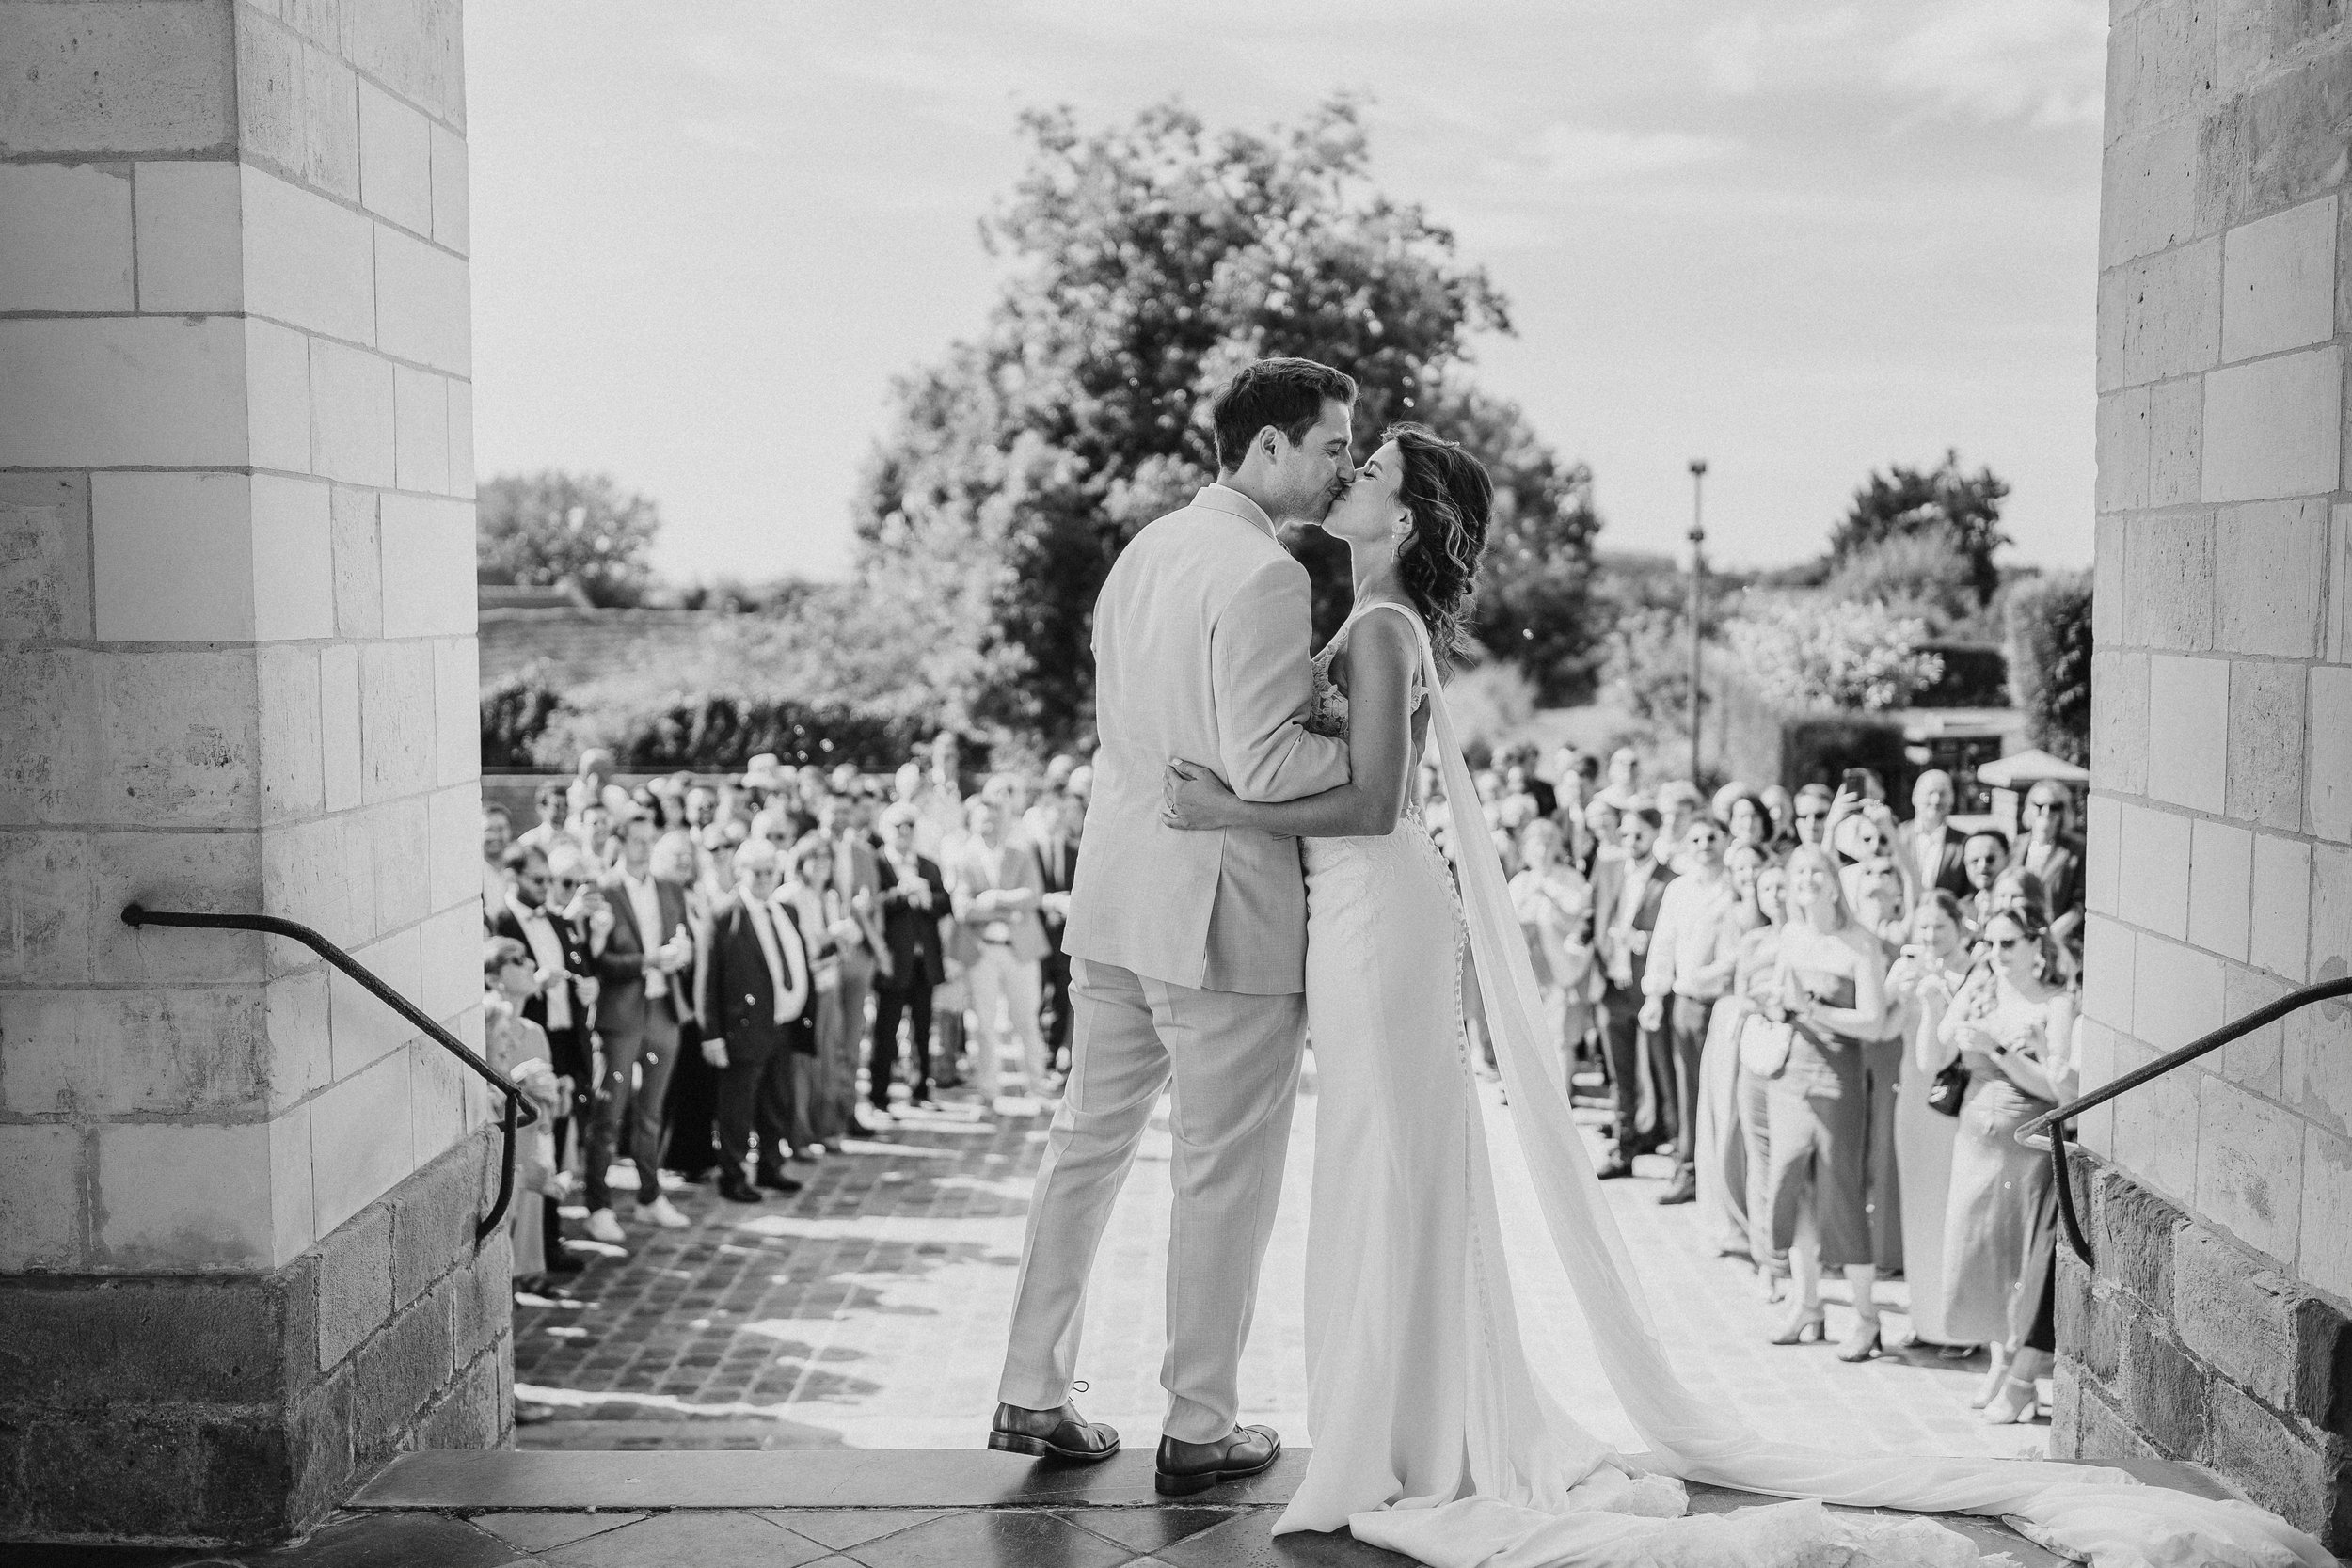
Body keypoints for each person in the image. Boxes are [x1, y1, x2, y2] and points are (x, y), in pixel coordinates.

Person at [1144, 419, 2319, 1567]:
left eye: (1371, 466)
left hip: (1375, 910)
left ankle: (1400, 1432)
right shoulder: (1371, 615)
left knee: (1385, 1158)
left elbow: (1367, 804)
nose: (1348, 471)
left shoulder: (1379, 627)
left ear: (1403, 520)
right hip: (1363, 911)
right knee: (1382, 1157)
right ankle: (1409, 1418)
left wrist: (1220, 807)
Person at [991, 357, 1359, 1493]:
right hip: (1220, 913)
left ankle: (1028, 1385)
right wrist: (1367, 738)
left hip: (1114, 897)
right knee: (1220, 1176)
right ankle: (1200, 1423)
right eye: (1332, 445)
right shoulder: (1265, 572)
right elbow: (1265, 763)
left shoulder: (1143, 551)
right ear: (1267, 447)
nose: (1343, 467)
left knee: (1083, 1148)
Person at [1938, 904, 2077, 1425]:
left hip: (2028, 1146)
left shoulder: (2055, 1004)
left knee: (2021, 1255)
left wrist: (1998, 1049)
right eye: (1991, 943)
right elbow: (1939, 1048)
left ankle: (2019, 1372)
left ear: (2036, 945)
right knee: (1980, 1251)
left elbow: (2059, 1090)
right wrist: (1944, 1002)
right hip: (1974, 1141)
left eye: (2009, 943)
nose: (1997, 954)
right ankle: (1999, 1364)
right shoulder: (1981, 989)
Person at [1758, 845, 1888, 1361]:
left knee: (1840, 1190)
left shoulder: (1860, 944)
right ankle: (1806, 1304)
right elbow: (1780, 999)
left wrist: (1813, 1010)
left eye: (1817, 871)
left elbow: (1873, 1023)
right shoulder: (1791, 934)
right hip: (1789, 1073)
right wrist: (1777, 1004)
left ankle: (1867, 1317)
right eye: (1798, 872)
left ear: (1835, 883)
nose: (1807, 879)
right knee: (1793, 1185)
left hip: (1836, 1077)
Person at [581, 814, 695, 1242]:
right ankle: (598, 1205)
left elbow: (681, 939)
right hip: (620, 1011)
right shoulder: (604, 889)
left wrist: (681, 952)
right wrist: (649, 961)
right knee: (608, 1114)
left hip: (663, 1006)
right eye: (637, 840)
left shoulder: (669, 888)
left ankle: (650, 1196)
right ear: (620, 842)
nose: (645, 848)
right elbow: (598, 961)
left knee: (652, 1110)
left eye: (650, 840)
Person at [694, 839, 809, 1203]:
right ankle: (733, 1175)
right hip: (741, 1026)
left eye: (769, 871)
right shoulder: (725, 914)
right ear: (740, 872)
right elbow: (708, 980)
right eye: (756, 872)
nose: (763, 878)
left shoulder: (785, 910)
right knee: (737, 1108)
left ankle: (771, 1166)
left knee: (777, 1101)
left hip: (782, 1023)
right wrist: (711, 1035)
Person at [1884, 891, 1973, 1353]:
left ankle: (1958, 1325)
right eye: (1923, 926)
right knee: (1917, 1206)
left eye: (1940, 926)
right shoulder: (1907, 970)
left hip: (1952, 1102)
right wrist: (1899, 995)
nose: (1931, 935)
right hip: (1913, 1097)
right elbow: (1882, 1029)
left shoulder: (1973, 973)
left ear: (1959, 926)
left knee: (1950, 1208)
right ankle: (1923, 1317)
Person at [1639, 817, 1739, 1206]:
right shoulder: (1679, 890)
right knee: (1689, 1089)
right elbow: (1663, 945)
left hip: (1729, 1003)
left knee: (1727, 1091)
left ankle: (1727, 1177)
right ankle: (1689, 1170)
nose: (1704, 845)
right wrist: (1654, 995)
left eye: (1712, 837)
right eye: (1695, 839)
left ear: (1725, 840)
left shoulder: (1737, 886)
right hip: (1689, 1002)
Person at [950, 793, 1053, 1105]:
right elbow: (963, 909)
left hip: (1019, 950)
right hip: (982, 951)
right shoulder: (964, 859)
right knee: (984, 1025)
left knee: (1027, 1021)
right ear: (972, 821)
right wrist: (1008, 908)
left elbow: (1033, 896)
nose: (989, 824)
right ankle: (988, 1092)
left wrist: (993, 899)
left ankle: (1037, 1087)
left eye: (994, 818)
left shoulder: (1020, 853)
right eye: (983, 818)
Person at [1591, 806, 1674, 1178]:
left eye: (1638, 834)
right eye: (1625, 833)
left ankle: (1668, 1140)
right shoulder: (1609, 868)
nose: (1630, 841)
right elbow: (1593, 914)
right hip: (1611, 985)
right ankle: (1624, 1147)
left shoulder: (1670, 880)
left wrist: (1646, 941)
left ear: (1655, 834)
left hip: (1647, 988)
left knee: (1660, 1071)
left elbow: (1675, 935)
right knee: (1619, 1073)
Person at [485, 938, 567, 1286]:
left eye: (528, 959)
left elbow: (551, 1112)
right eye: (517, 961)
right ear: (492, 977)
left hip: (531, 1142)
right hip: (506, 1149)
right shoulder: (487, 1025)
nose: (530, 965)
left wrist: (555, 1093)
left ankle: (524, 1275)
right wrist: (519, 1083)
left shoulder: (535, 1032)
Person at [873, 802, 949, 1115]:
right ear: (885, 830)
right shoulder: (878, 863)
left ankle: (921, 1090)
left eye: (909, 827)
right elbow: (874, 905)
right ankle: (879, 1096)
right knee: (886, 1031)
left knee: (923, 1029)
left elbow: (945, 903)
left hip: (924, 961)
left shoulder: (928, 865)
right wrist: (902, 894)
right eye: (897, 827)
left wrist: (928, 898)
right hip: (893, 961)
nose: (904, 832)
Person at [1508, 817, 1595, 1092]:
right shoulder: (1520, 882)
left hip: (1562, 968)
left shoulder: (1569, 878)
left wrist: (1549, 895)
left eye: (1548, 844)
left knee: (1560, 1035)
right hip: (1530, 970)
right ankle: (1533, 1091)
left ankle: (1562, 1092)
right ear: (1525, 849)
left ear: (1557, 847)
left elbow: (1581, 915)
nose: (1543, 851)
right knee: (1531, 1032)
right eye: (1536, 845)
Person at [2016, 782, 2084, 944]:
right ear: (2029, 808)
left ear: (2064, 811)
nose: (2046, 812)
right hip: (2017, 933)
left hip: (2057, 938)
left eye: (2054, 807)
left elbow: (2079, 905)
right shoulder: (2016, 845)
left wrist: (2048, 939)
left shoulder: (2076, 851)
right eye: (2040, 805)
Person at [1893, 769, 1972, 900]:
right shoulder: (1896, 836)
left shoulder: (1964, 842)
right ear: (1914, 796)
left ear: (1952, 798)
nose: (1936, 800)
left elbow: (1969, 893)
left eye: (1942, 793)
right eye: (1930, 793)